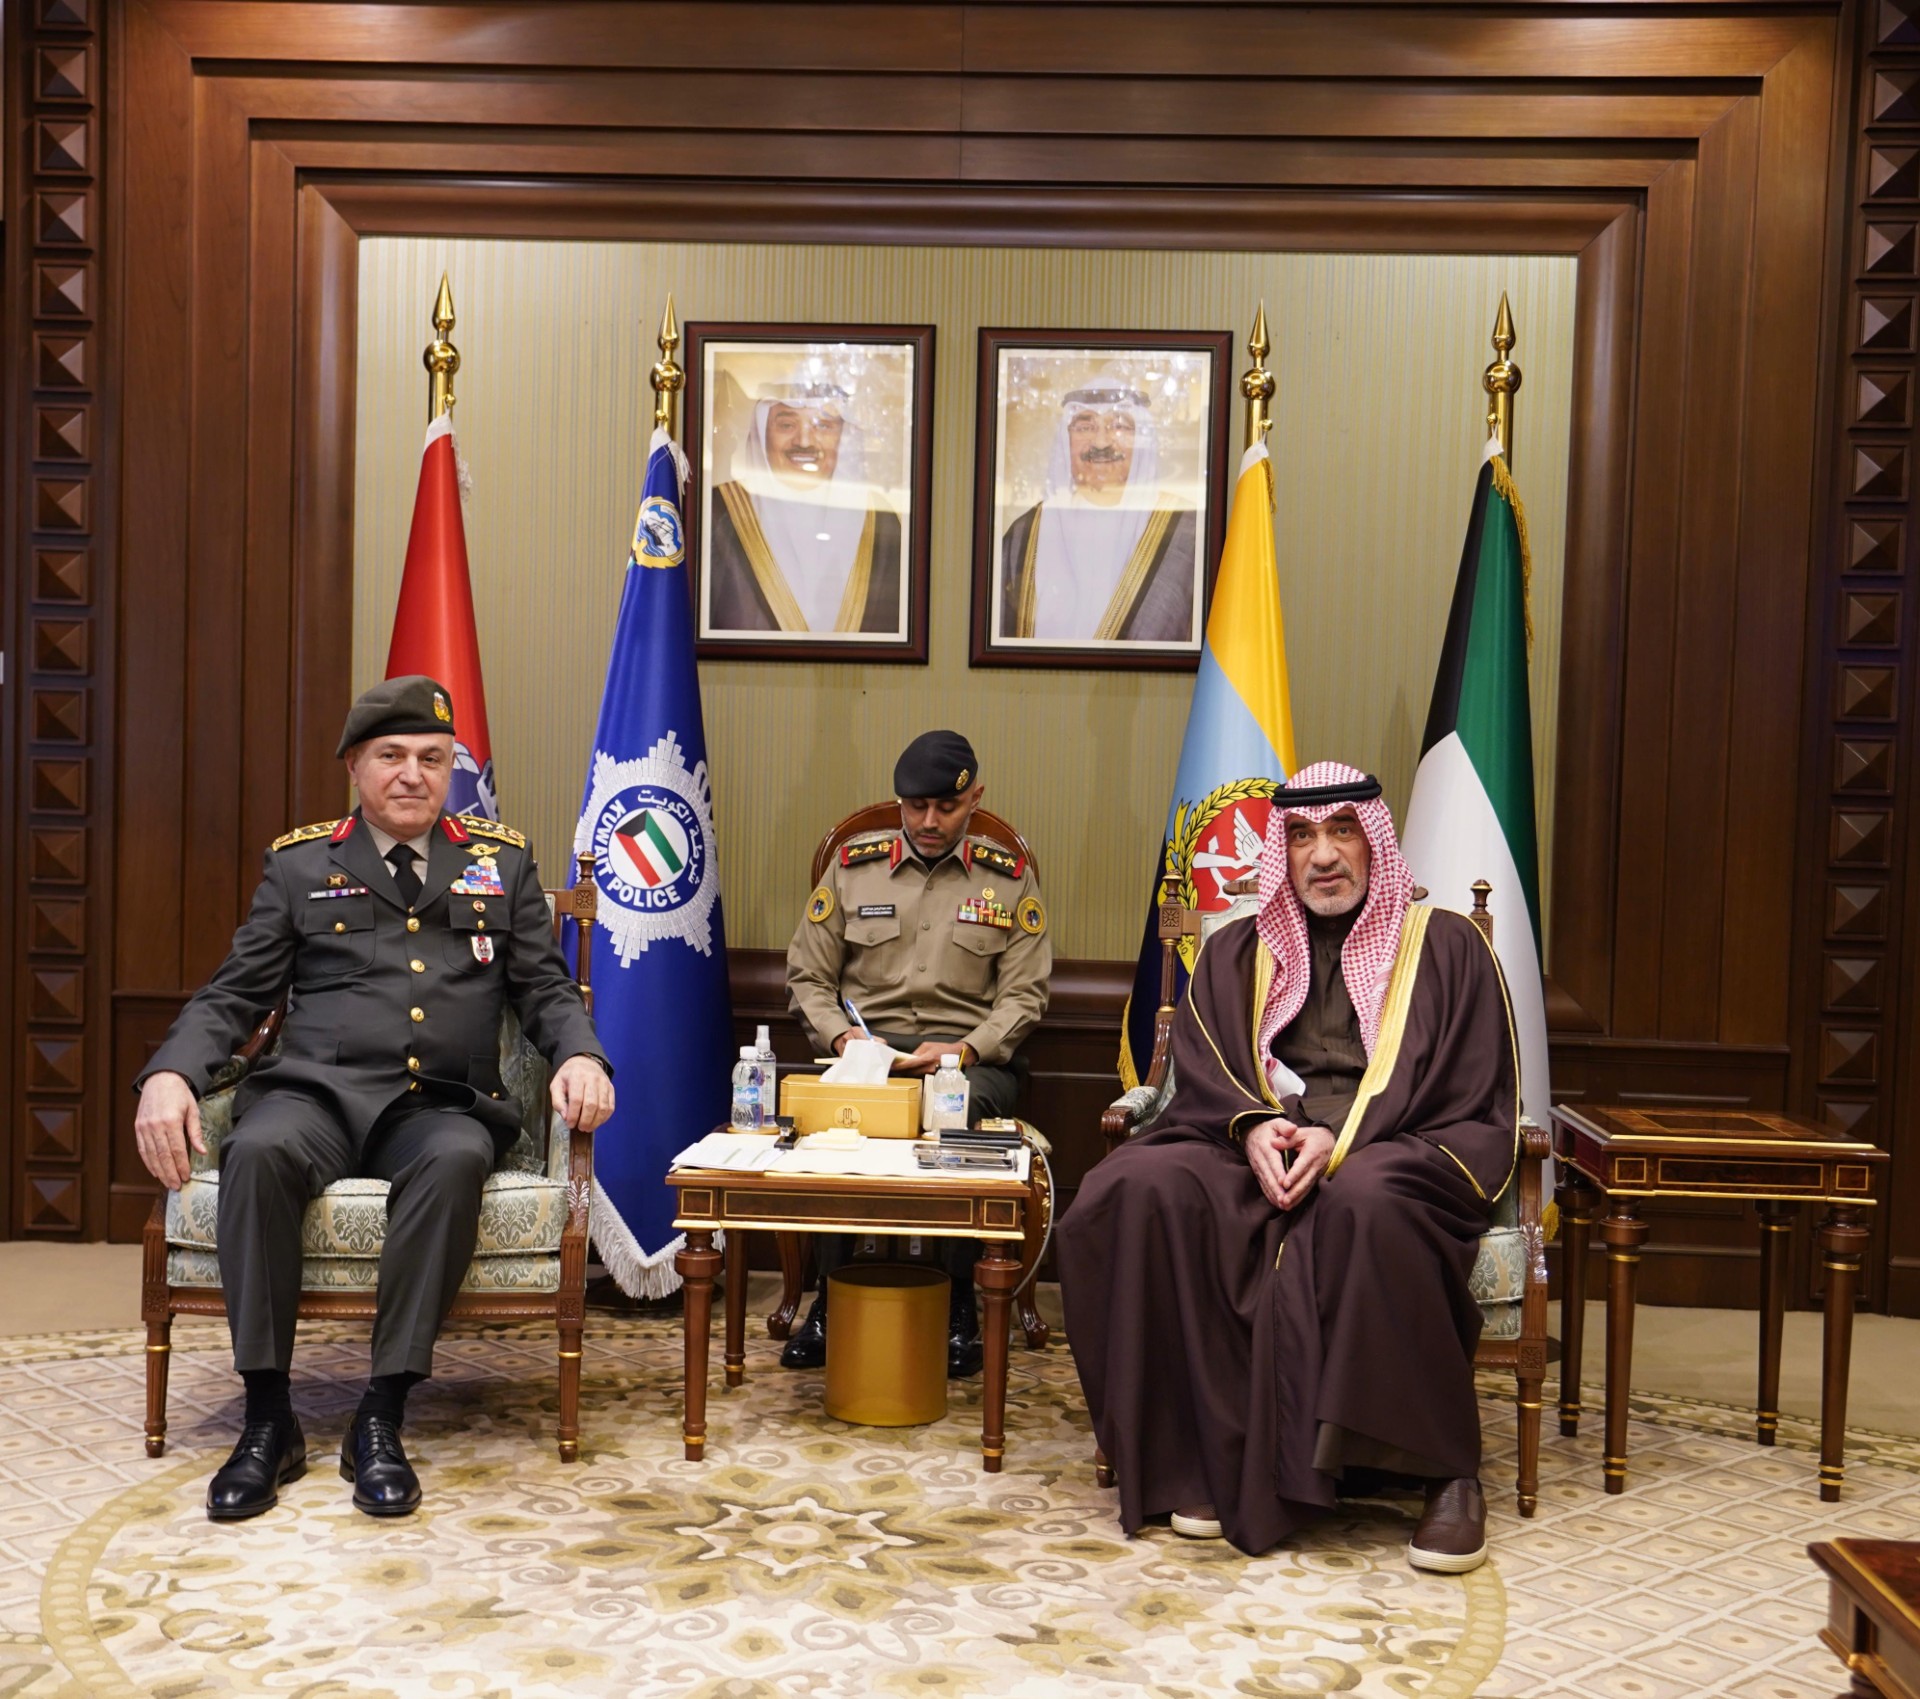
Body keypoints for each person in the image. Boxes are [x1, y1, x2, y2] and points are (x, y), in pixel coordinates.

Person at [132, 677, 613, 1522]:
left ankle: (381, 1415)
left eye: (432, 757)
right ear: (354, 765)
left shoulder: (500, 864)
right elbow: (234, 993)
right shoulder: (301, 865)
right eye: (391, 755)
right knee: (257, 1150)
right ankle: (268, 1419)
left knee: (458, 1158)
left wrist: (581, 1054)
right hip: (316, 1095)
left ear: (451, 768)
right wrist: (169, 1073)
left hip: (438, 1103)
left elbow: (544, 988)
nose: (412, 774)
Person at [1057, 760, 1519, 1571]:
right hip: (1262, 1140)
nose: (1323, 854)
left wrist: (1340, 1138)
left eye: (1342, 831)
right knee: (1130, 1186)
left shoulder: (1447, 946)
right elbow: (1204, 1067)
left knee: (1365, 1199)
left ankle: (1444, 1470)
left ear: (1374, 842)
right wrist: (1254, 1128)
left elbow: (1471, 1086)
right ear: (1282, 850)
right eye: (1301, 836)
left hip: (1397, 1144)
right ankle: (1195, 1455)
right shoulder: (1239, 950)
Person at [784, 729, 1052, 1374]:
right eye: (916, 806)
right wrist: (843, 1039)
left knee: (953, 1115)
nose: (929, 822)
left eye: (946, 807)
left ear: (974, 799)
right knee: (841, 1118)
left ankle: (958, 1302)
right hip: (867, 1050)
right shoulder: (853, 867)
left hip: (971, 1060)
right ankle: (829, 1299)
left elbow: (1024, 996)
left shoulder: (1008, 880)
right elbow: (808, 978)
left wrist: (964, 1049)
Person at [998, 376, 1198, 644]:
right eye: (1085, 427)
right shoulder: (1025, 533)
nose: (1101, 443)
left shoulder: (1187, 533)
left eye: (1119, 426)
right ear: (1066, 440)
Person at [706, 379, 903, 635]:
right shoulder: (719, 511)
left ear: (843, 436)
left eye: (823, 425)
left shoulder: (878, 516)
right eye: (787, 425)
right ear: (763, 433)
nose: (804, 441)